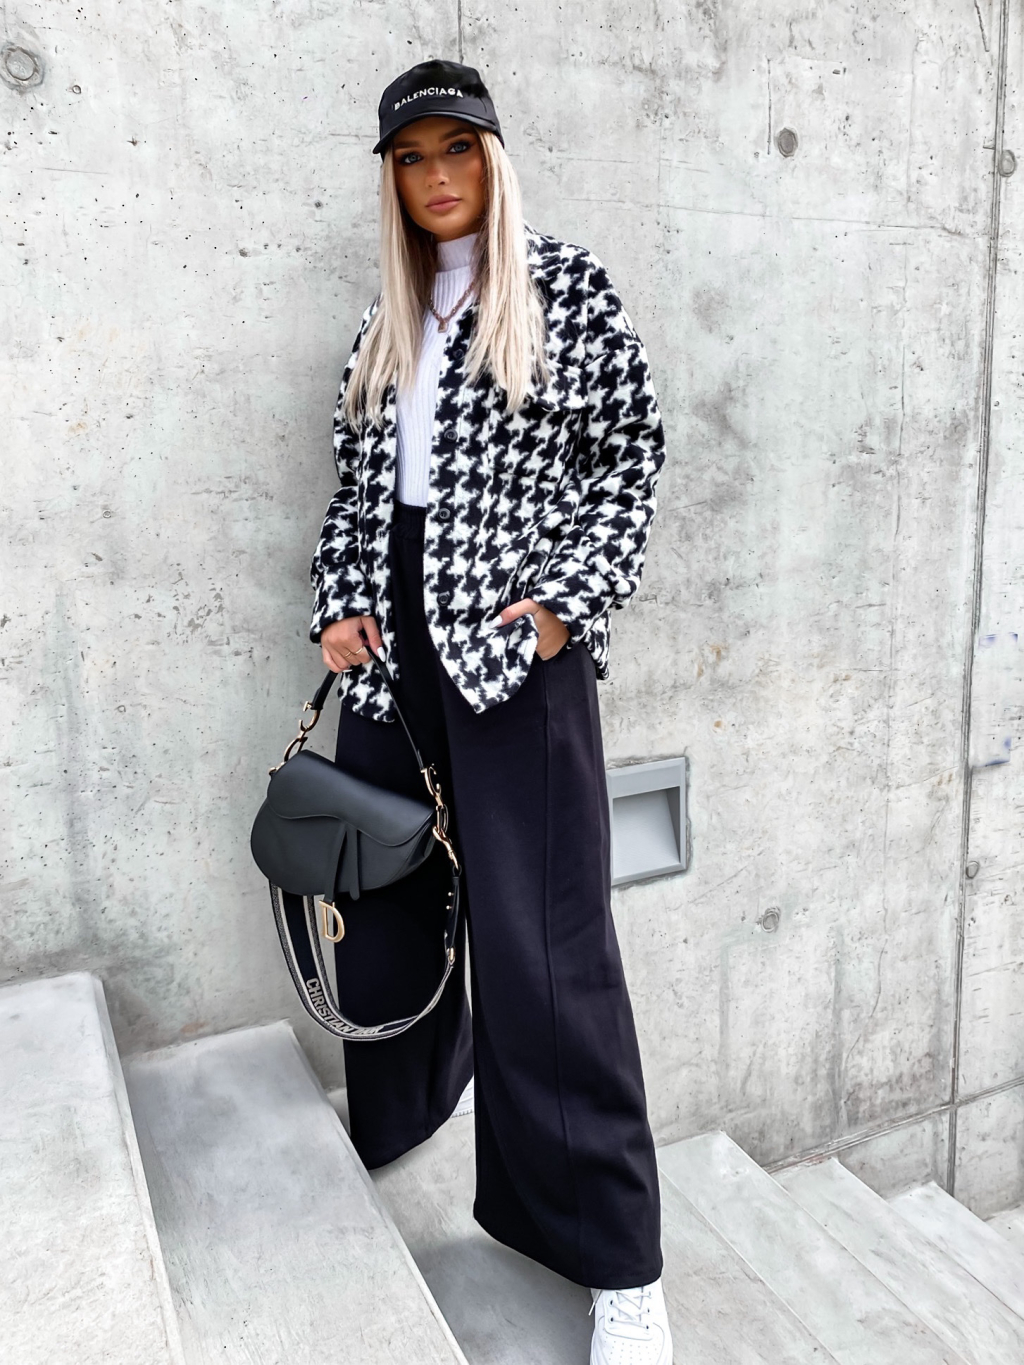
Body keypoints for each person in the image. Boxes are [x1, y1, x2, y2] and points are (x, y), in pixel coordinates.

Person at [308, 58, 672, 1365]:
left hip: (515, 656)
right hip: (390, 655)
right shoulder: (385, 319)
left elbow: (631, 456)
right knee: (383, 911)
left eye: (456, 149)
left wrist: (567, 604)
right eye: (412, 157)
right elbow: (356, 493)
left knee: (548, 953)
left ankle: (620, 1265)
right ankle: (398, 1126)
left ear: (493, 158)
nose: (437, 176)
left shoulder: (563, 290)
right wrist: (340, 603)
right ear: (393, 181)